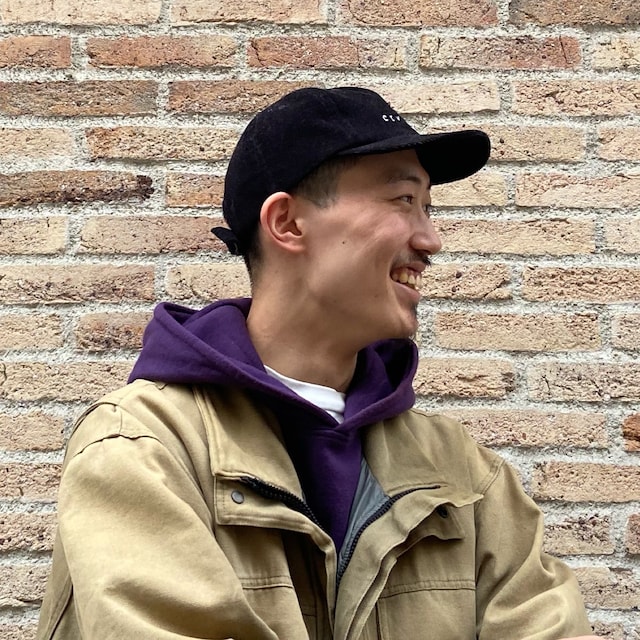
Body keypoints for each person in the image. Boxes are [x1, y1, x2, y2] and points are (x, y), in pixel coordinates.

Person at [37, 87, 604, 640]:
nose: (430, 240)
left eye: (428, 207)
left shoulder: (464, 474)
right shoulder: (144, 446)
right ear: (287, 223)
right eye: (403, 200)